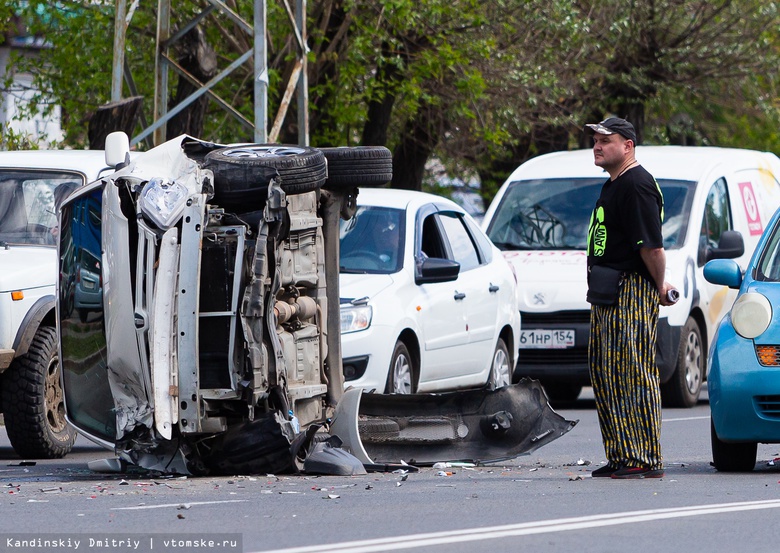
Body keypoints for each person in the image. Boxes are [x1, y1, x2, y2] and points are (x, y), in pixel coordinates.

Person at [584, 117, 676, 480]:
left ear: (628, 146)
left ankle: (645, 456)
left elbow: (652, 247)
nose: (597, 145)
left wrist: (660, 284)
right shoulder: (613, 184)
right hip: (607, 290)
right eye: (595, 139)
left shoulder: (637, 185)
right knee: (605, 372)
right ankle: (622, 453)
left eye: (606, 140)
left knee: (633, 370)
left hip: (631, 291)